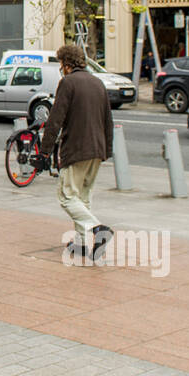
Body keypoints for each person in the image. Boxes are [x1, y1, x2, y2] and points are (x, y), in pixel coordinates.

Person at [37, 45, 114, 262]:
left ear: (67, 64)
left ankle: (98, 229)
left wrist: (44, 151)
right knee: (83, 198)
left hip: (77, 148)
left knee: (67, 197)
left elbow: (55, 120)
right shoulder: (97, 82)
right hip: (97, 149)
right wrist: (106, 150)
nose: (61, 68)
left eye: (61, 63)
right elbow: (108, 120)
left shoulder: (68, 83)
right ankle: (80, 244)